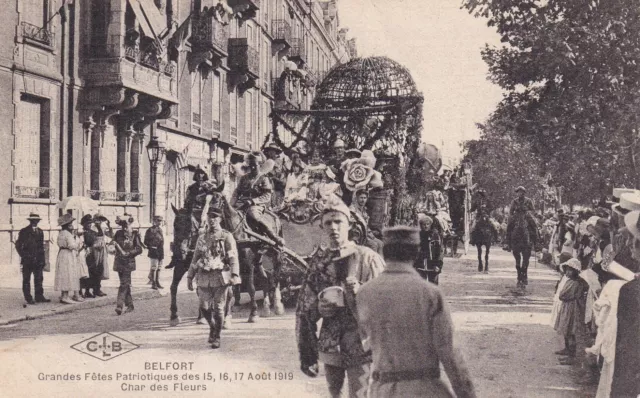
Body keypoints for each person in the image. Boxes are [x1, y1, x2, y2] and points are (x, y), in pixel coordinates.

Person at [357, 226, 476, 398]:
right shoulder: (430, 293)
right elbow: (450, 354)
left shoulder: (364, 293)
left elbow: (363, 347)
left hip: (383, 390)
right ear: (416, 253)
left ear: (385, 251)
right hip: (425, 389)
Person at [296, 195, 385, 398]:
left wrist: (359, 292)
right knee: (333, 393)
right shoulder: (320, 262)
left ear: (349, 225)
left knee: (360, 394)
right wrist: (318, 309)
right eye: (328, 223)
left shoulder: (368, 258)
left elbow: (387, 304)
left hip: (362, 344)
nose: (333, 227)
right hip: (331, 343)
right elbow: (304, 307)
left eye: (338, 222)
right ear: (322, 227)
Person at [187, 206, 241, 349]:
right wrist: (189, 276)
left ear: (220, 219)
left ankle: (217, 336)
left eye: (215, 217)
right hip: (204, 277)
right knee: (204, 307)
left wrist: (234, 274)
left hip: (220, 277)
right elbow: (195, 257)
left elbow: (233, 257)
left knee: (218, 308)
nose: (212, 220)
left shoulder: (226, 236)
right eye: (210, 217)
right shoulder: (202, 237)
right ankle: (212, 326)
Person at [231, 152, 284, 246]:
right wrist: (231, 204)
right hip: (241, 204)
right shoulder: (244, 178)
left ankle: (274, 236)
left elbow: (267, 195)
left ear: (259, 165)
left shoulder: (263, 178)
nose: (252, 168)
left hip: (256, 206)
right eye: (250, 165)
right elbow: (236, 192)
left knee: (254, 216)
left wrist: (253, 201)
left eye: (255, 165)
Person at [553, 258, 587, 365]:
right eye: (566, 270)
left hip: (573, 309)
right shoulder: (571, 281)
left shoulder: (575, 283)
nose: (568, 272)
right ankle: (567, 350)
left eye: (570, 270)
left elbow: (563, 295)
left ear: (575, 271)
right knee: (566, 329)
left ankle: (572, 355)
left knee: (570, 330)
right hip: (568, 307)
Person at [15, 213, 50, 304]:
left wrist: (43, 260)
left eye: (37, 220)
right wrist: (23, 255)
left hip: (38, 260)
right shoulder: (24, 231)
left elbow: (41, 248)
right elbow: (18, 245)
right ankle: (28, 298)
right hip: (28, 260)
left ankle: (39, 296)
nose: (35, 222)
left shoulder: (40, 231)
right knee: (26, 279)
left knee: (39, 278)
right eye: (33, 220)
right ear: (30, 221)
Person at [112, 214, 143, 315]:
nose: (125, 227)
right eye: (123, 225)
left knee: (124, 284)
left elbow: (139, 249)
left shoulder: (134, 234)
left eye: (126, 225)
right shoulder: (118, 233)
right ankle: (130, 305)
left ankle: (119, 306)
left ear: (130, 224)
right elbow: (113, 245)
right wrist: (113, 248)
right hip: (119, 262)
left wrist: (129, 253)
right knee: (125, 284)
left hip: (128, 262)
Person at [54, 214, 83, 304]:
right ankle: (65, 296)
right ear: (67, 225)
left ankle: (66, 295)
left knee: (65, 273)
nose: (72, 225)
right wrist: (78, 244)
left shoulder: (61, 233)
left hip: (62, 254)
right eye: (70, 223)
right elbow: (72, 245)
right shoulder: (68, 234)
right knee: (68, 273)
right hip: (68, 255)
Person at [504, 186, 539, 251]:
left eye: (521, 192)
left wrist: (528, 211)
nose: (520, 193)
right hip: (516, 216)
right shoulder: (514, 201)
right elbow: (511, 211)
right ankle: (507, 243)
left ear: (524, 193)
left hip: (526, 215)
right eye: (519, 192)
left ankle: (536, 243)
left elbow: (533, 210)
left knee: (534, 226)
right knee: (509, 226)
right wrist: (511, 217)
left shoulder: (528, 200)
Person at [414, 215, 444, 283]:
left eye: (428, 224)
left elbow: (440, 251)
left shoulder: (435, 235)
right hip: (420, 264)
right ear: (421, 225)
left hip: (432, 263)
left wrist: (438, 264)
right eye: (424, 224)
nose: (426, 226)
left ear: (430, 225)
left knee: (433, 284)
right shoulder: (418, 235)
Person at [263, 143, 287, 209]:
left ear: (276, 152)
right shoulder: (267, 161)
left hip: (277, 185)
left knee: (276, 204)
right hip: (268, 183)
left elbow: (278, 172)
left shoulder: (278, 161)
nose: (270, 153)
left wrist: (270, 174)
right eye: (269, 151)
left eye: (273, 151)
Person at [144, 215, 165, 290]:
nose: (159, 222)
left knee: (159, 267)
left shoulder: (160, 229)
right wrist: (151, 247)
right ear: (154, 221)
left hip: (160, 251)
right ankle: (153, 283)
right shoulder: (150, 230)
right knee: (154, 267)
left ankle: (157, 281)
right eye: (158, 220)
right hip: (154, 251)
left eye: (160, 221)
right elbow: (145, 241)